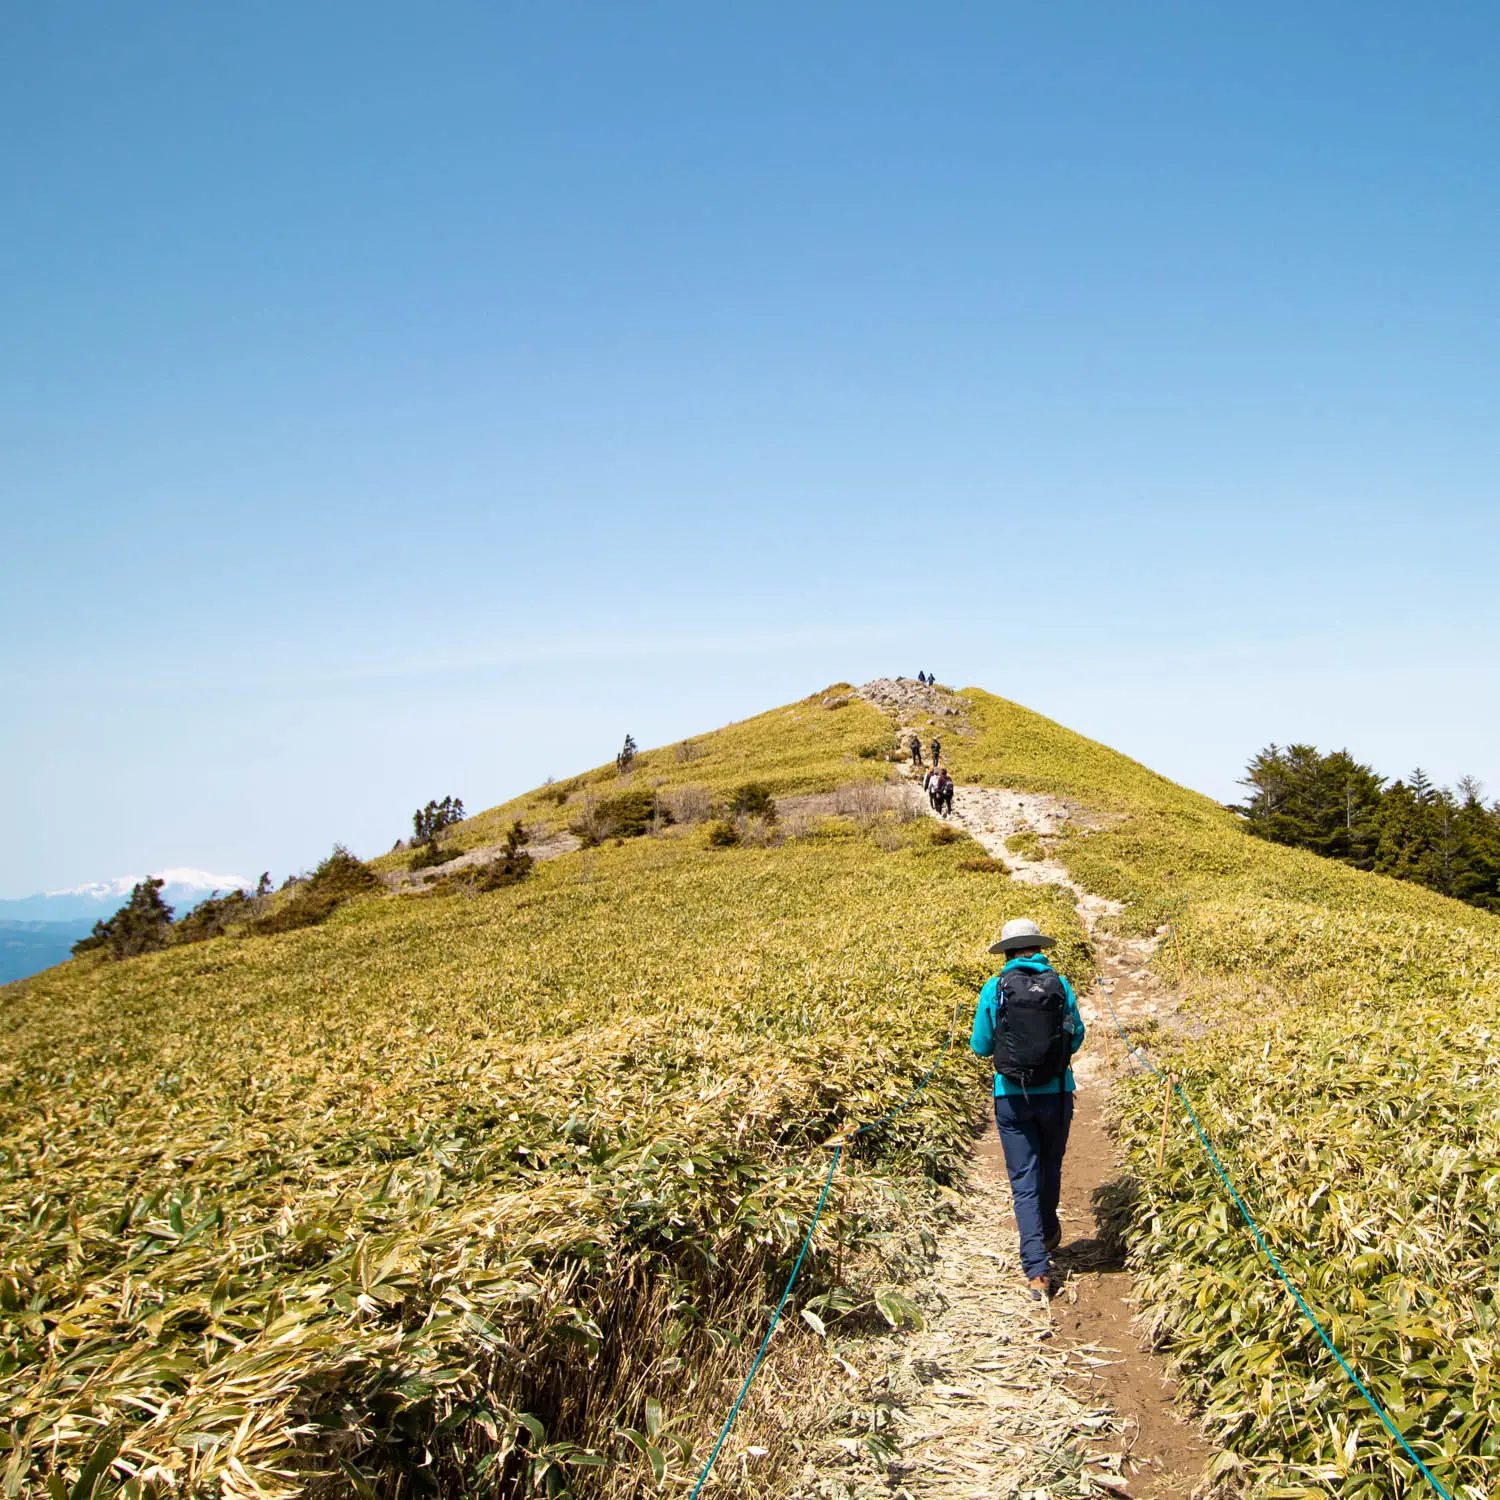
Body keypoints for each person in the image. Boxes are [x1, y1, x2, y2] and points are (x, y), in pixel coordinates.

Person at [970, 918, 1086, 1300]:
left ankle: (1037, 1270)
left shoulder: (994, 988)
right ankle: (1049, 1227)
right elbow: (1077, 1036)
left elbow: (982, 1046)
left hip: (1010, 1095)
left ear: (1005, 952)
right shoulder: (1061, 984)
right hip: (1056, 1091)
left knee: (1024, 1178)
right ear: (1038, 948)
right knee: (1050, 1166)